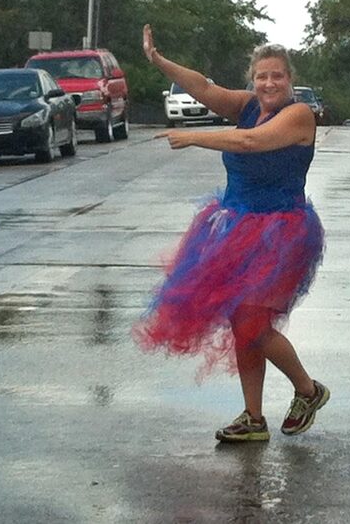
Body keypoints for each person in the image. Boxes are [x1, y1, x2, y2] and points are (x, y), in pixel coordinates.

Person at [133, 24, 329, 443]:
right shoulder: (246, 105)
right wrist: (158, 61)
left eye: (278, 75)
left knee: (253, 324)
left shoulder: (298, 115)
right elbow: (203, 87)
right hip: (236, 227)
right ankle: (253, 418)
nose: (270, 82)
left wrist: (194, 137)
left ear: (290, 80)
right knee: (242, 319)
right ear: (253, 79)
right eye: (262, 75)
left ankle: (308, 391)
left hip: (283, 232)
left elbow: (251, 144)